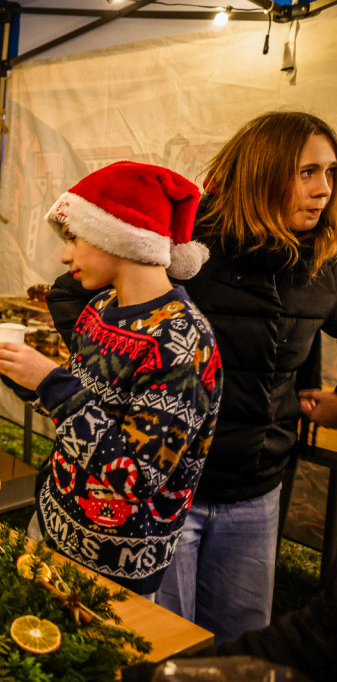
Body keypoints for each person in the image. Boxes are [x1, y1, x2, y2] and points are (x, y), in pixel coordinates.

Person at [45, 112, 337, 642]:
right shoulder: (192, 249)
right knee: (164, 640)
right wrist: (117, 375)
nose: (323, 190)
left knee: (240, 642)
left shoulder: (323, 262)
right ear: (262, 171)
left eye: (330, 173)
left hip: (258, 489)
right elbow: (71, 293)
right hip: (173, 491)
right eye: (306, 173)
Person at [0, 161, 223, 597]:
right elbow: (85, 411)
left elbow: (135, 475)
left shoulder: (184, 341)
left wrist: (52, 383)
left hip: (114, 569)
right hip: (52, 528)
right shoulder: (100, 308)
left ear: (120, 236)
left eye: (74, 238)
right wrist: (24, 376)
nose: (64, 255)